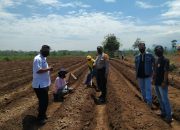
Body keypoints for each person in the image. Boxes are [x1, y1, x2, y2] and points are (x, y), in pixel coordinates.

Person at [32, 45, 53, 125]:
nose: (48, 53)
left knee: (43, 101)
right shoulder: (37, 59)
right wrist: (49, 69)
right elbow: (38, 70)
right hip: (39, 85)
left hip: (44, 84)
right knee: (44, 102)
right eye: (48, 51)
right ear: (44, 51)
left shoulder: (43, 58)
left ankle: (43, 114)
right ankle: (40, 118)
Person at [153, 45, 172, 123]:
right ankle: (163, 112)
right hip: (157, 82)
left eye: (159, 50)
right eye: (157, 50)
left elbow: (166, 71)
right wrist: (153, 79)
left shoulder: (165, 60)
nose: (158, 52)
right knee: (160, 99)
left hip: (162, 83)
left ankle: (169, 116)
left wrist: (164, 81)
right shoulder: (157, 60)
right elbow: (155, 71)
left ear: (162, 51)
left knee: (165, 99)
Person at [135, 42, 155, 107]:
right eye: (140, 47)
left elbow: (154, 64)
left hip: (147, 75)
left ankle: (149, 104)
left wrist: (153, 73)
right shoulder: (137, 56)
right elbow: (136, 66)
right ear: (138, 48)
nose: (141, 48)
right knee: (142, 88)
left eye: (142, 47)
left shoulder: (150, 55)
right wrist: (136, 75)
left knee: (148, 89)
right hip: (140, 75)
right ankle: (145, 100)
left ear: (145, 47)